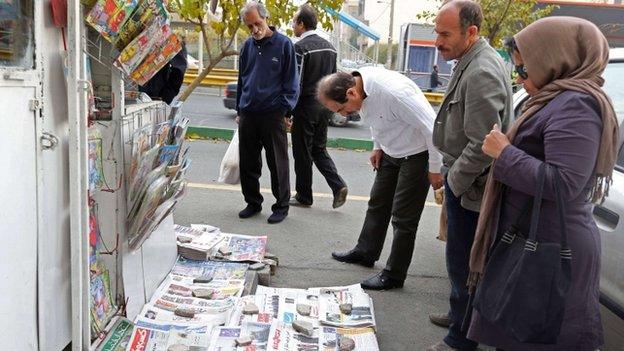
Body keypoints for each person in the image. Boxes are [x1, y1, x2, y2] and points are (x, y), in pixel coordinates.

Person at [466, 17, 618, 351]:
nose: (521, 80)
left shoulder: (577, 105)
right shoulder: (556, 98)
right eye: (517, 71)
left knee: (537, 337)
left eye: (524, 70)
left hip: (547, 247)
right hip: (534, 238)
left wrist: (503, 154)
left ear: (556, 60)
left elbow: (564, 184)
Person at [427, 1, 512, 350]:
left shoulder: (481, 72)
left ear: (471, 32)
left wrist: (454, 182)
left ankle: (460, 339)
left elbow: (482, 143)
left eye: (445, 34)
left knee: (466, 264)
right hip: (464, 181)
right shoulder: (471, 60)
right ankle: (458, 314)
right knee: (459, 261)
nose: (437, 42)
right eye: (436, 32)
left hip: (471, 186)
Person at [317, 67, 444, 290]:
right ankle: (366, 251)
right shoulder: (358, 84)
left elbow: (432, 129)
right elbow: (376, 119)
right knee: (377, 203)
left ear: (351, 94)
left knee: (403, 218)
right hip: (390, 151)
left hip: (417, 153)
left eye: (342, 110)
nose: (343, 115)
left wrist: (434, 168)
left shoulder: (394, 93)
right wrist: (378, 147)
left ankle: (394, 275)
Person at [236, 1, 299, 224]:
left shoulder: (284, 44)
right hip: (248, 113)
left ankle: (281, 206)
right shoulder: (247, 46)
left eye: (257, 23)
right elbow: (242, 79)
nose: (254, 29)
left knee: (278, 162)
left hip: (273, 114)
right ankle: (253, 202)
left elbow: (292, 81)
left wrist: (285, 109)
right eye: (249, 26)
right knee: (248, 162)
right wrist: (239, 109)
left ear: (266, 19)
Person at [289, 4, 348, 209]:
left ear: (301, 24)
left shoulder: (300, 48)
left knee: (302, 151)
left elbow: (296, 82)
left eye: (294, 21)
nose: (293, 26)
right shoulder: (330, 47)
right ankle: (338, 185)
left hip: (306, 106)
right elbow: (334, 80)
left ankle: (304, 196)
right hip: (325, 107)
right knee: (319, 149)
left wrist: (288, 111)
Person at [139, 36, 188, 105]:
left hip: (154, 97)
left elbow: (179, 70)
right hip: (128, 96)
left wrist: (165, 97)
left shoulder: (169, 39)